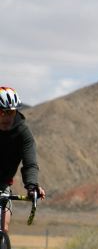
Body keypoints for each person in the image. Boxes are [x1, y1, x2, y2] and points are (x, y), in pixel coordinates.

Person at [0, 87, 46, 232]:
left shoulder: (23, 134)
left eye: (11, 112)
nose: (7, 117)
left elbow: (30, 163)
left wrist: (32, 186)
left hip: (1, 185)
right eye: (2, 112)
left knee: (2, 227)